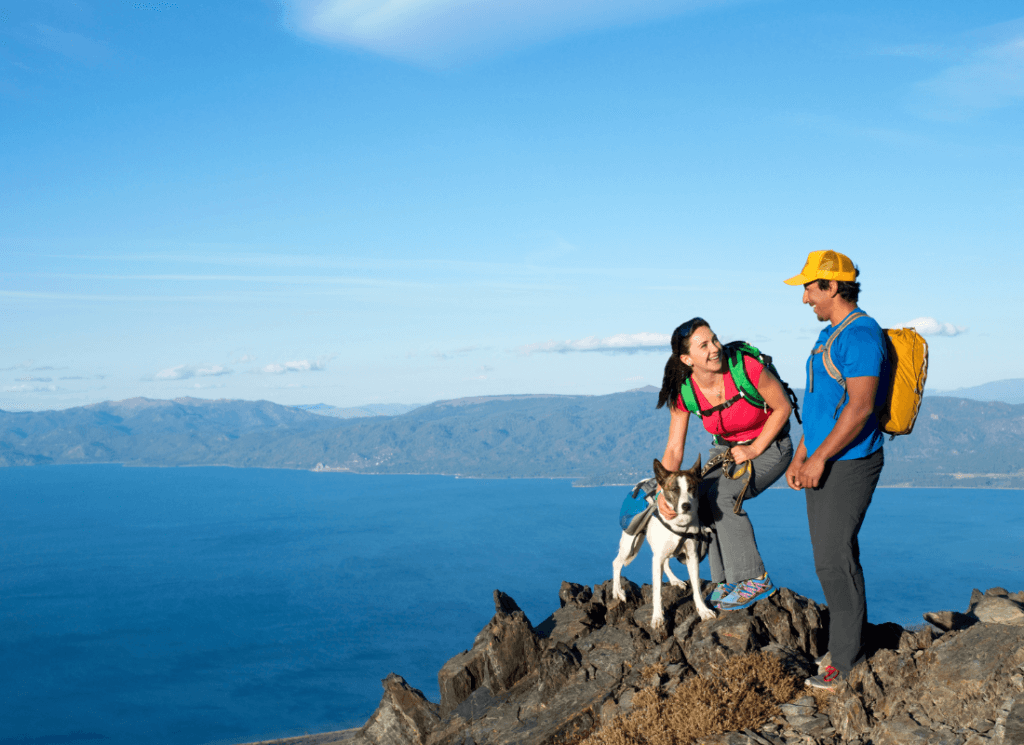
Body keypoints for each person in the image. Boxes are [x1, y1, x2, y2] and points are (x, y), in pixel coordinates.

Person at [783, 250, 889, 690]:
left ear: (832, 287)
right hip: (824, 459)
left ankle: (846, 662)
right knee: (831, 558)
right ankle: (846, 646)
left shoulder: (861, 336)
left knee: (834, 559)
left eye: (810, 287)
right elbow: (822, 407)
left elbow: (860, 408)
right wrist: (801, 454)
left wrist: (821, 457)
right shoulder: (830, 335)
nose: (805, 297)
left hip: (849, 463)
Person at [656, 317, 794, 611]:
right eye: (703, 345)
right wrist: (661, 492)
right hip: (728, 450)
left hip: (771, 445)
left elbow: (784, 407)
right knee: (699, 498)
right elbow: (674, 447)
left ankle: (754, 578)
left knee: (722, 495)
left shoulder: (746, 368)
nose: (715, 348)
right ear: (686, 358)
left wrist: (754, 448)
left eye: (714, 340)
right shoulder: (686, 392)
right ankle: (726, 579)